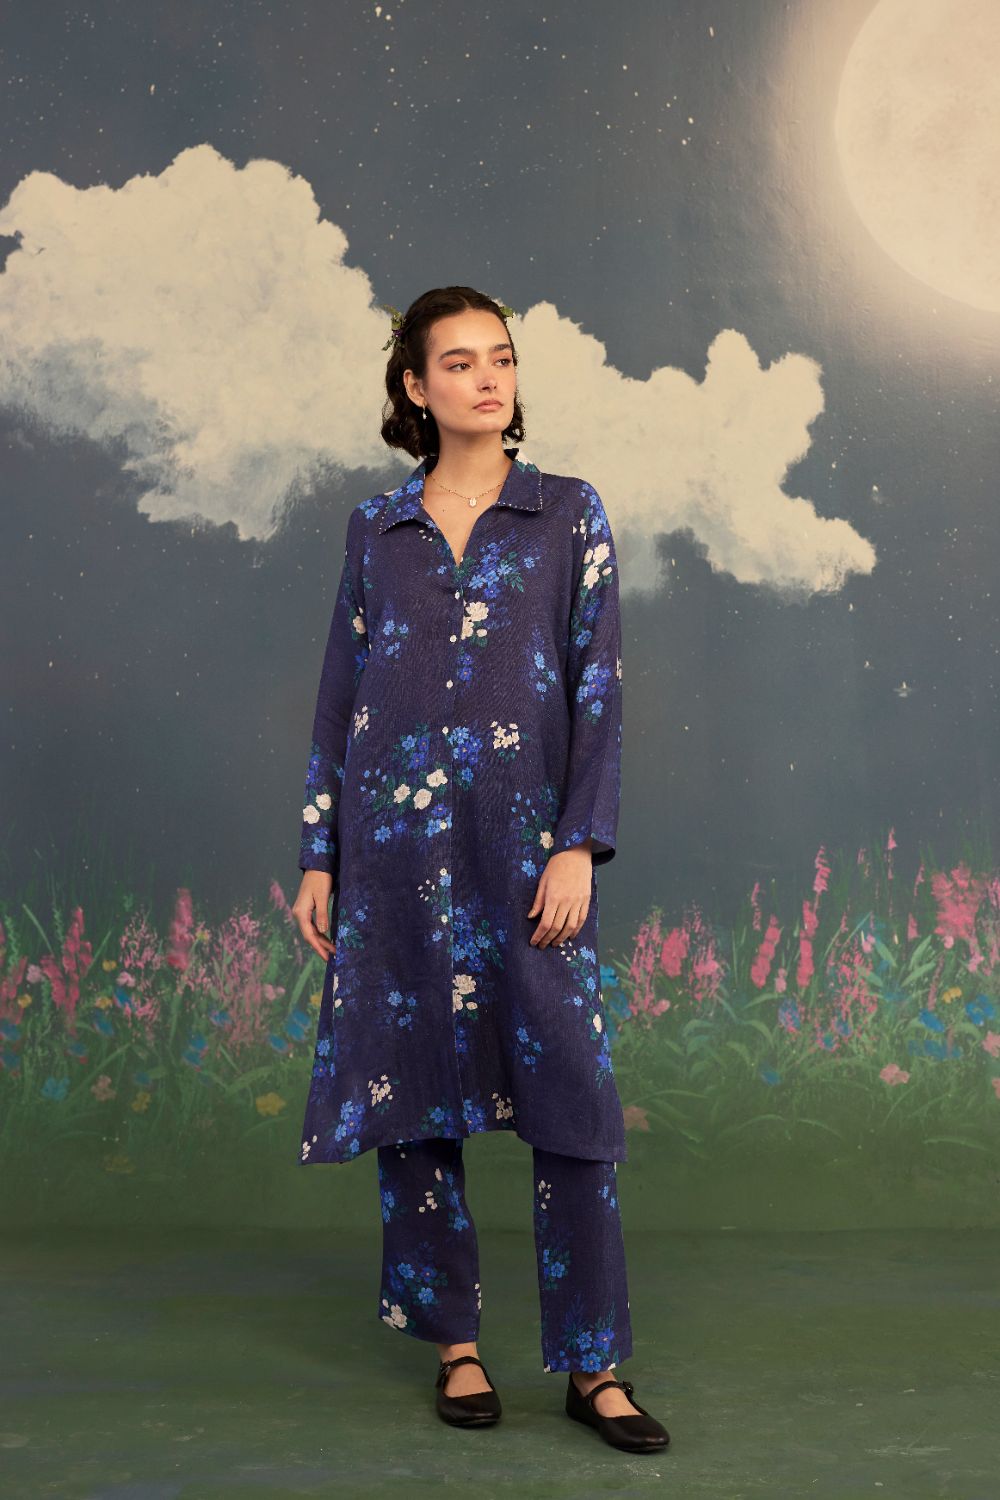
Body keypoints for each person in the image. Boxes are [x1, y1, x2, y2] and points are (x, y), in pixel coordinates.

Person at [291, 286, 669, 1454]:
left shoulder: (566, 513)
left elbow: (599, 686)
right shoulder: (376, 528)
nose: (487, 378)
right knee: (413, 1097)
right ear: (415, 386)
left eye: (499, 358)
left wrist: (577, 843)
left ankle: (594, 1366)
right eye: (457, 363)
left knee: (574, 1102)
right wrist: (319, 855)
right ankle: (453, 1344)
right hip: (396, 858)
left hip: (525, 858)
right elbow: (342, 694)